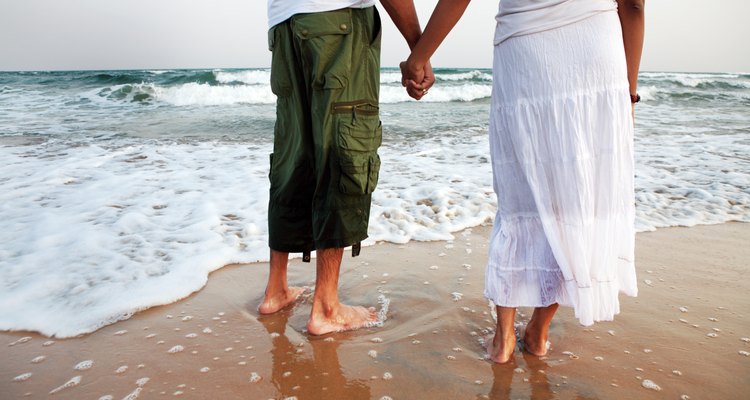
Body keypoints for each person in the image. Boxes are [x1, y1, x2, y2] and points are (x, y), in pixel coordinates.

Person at [401, 0, 645, 363]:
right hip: (598, 54)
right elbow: (635, 6)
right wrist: (628, 91)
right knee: (577, 201)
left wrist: (419, 56)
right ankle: (539, 332)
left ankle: (504, 340)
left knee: (519, 200)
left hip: (527, 51)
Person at [260, 0, 435, 335]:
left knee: (293, 150)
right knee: (344, 148)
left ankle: (276, 290)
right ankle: (327, 307)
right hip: (337, 22)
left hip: (283, 24)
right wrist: (419, 49)